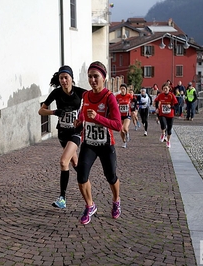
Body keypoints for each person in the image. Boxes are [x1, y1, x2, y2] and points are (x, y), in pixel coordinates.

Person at [74, 61, 122, 225]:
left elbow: (117, 124)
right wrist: (80, 120)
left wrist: (98, 118)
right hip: (89, 143)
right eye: (90, 76)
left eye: (96, 76)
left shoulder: (109, 97)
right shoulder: (86, 95)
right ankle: (90, 205)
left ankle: (116, 200)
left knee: (111, 176)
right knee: (81, 176)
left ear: (104, 77)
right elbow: (83, 112)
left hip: (106, 144)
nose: (92, 80)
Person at [38, 65, 87, 209]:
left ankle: (62, 198)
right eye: (61, 78)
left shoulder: (80, 92)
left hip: (76, 132)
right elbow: (41, 111)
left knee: (63, 161)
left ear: (72, 78)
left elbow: (94, 99)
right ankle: (85, 179)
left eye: (66, 77)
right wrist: (54, 112)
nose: (64, 81)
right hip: (62, 133)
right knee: (74, 162)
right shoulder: (56, 93)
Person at [116, 84, 133, 148]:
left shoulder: (129, 96)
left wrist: (134, 110)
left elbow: (134, 101)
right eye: (121, 89)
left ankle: (127, 133)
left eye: (124, 89)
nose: (122, 90)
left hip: (127, 115)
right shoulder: (117, 96)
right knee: (121, 130)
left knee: (125, 128)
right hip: (120, 115)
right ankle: (124, 142)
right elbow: (114, 103)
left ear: (126, 90)